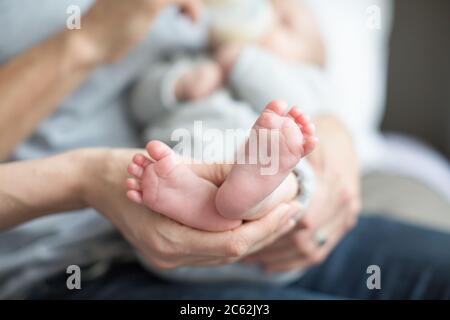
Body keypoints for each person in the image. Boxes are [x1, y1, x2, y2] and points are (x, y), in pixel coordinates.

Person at [1, 0, 450, 299]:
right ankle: (228, 196)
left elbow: (298, 60)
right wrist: (90, 38)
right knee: (205, 167)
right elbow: (149, 92)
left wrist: (333, 128)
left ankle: (245, 193)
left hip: (283, 234)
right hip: (79, 262)